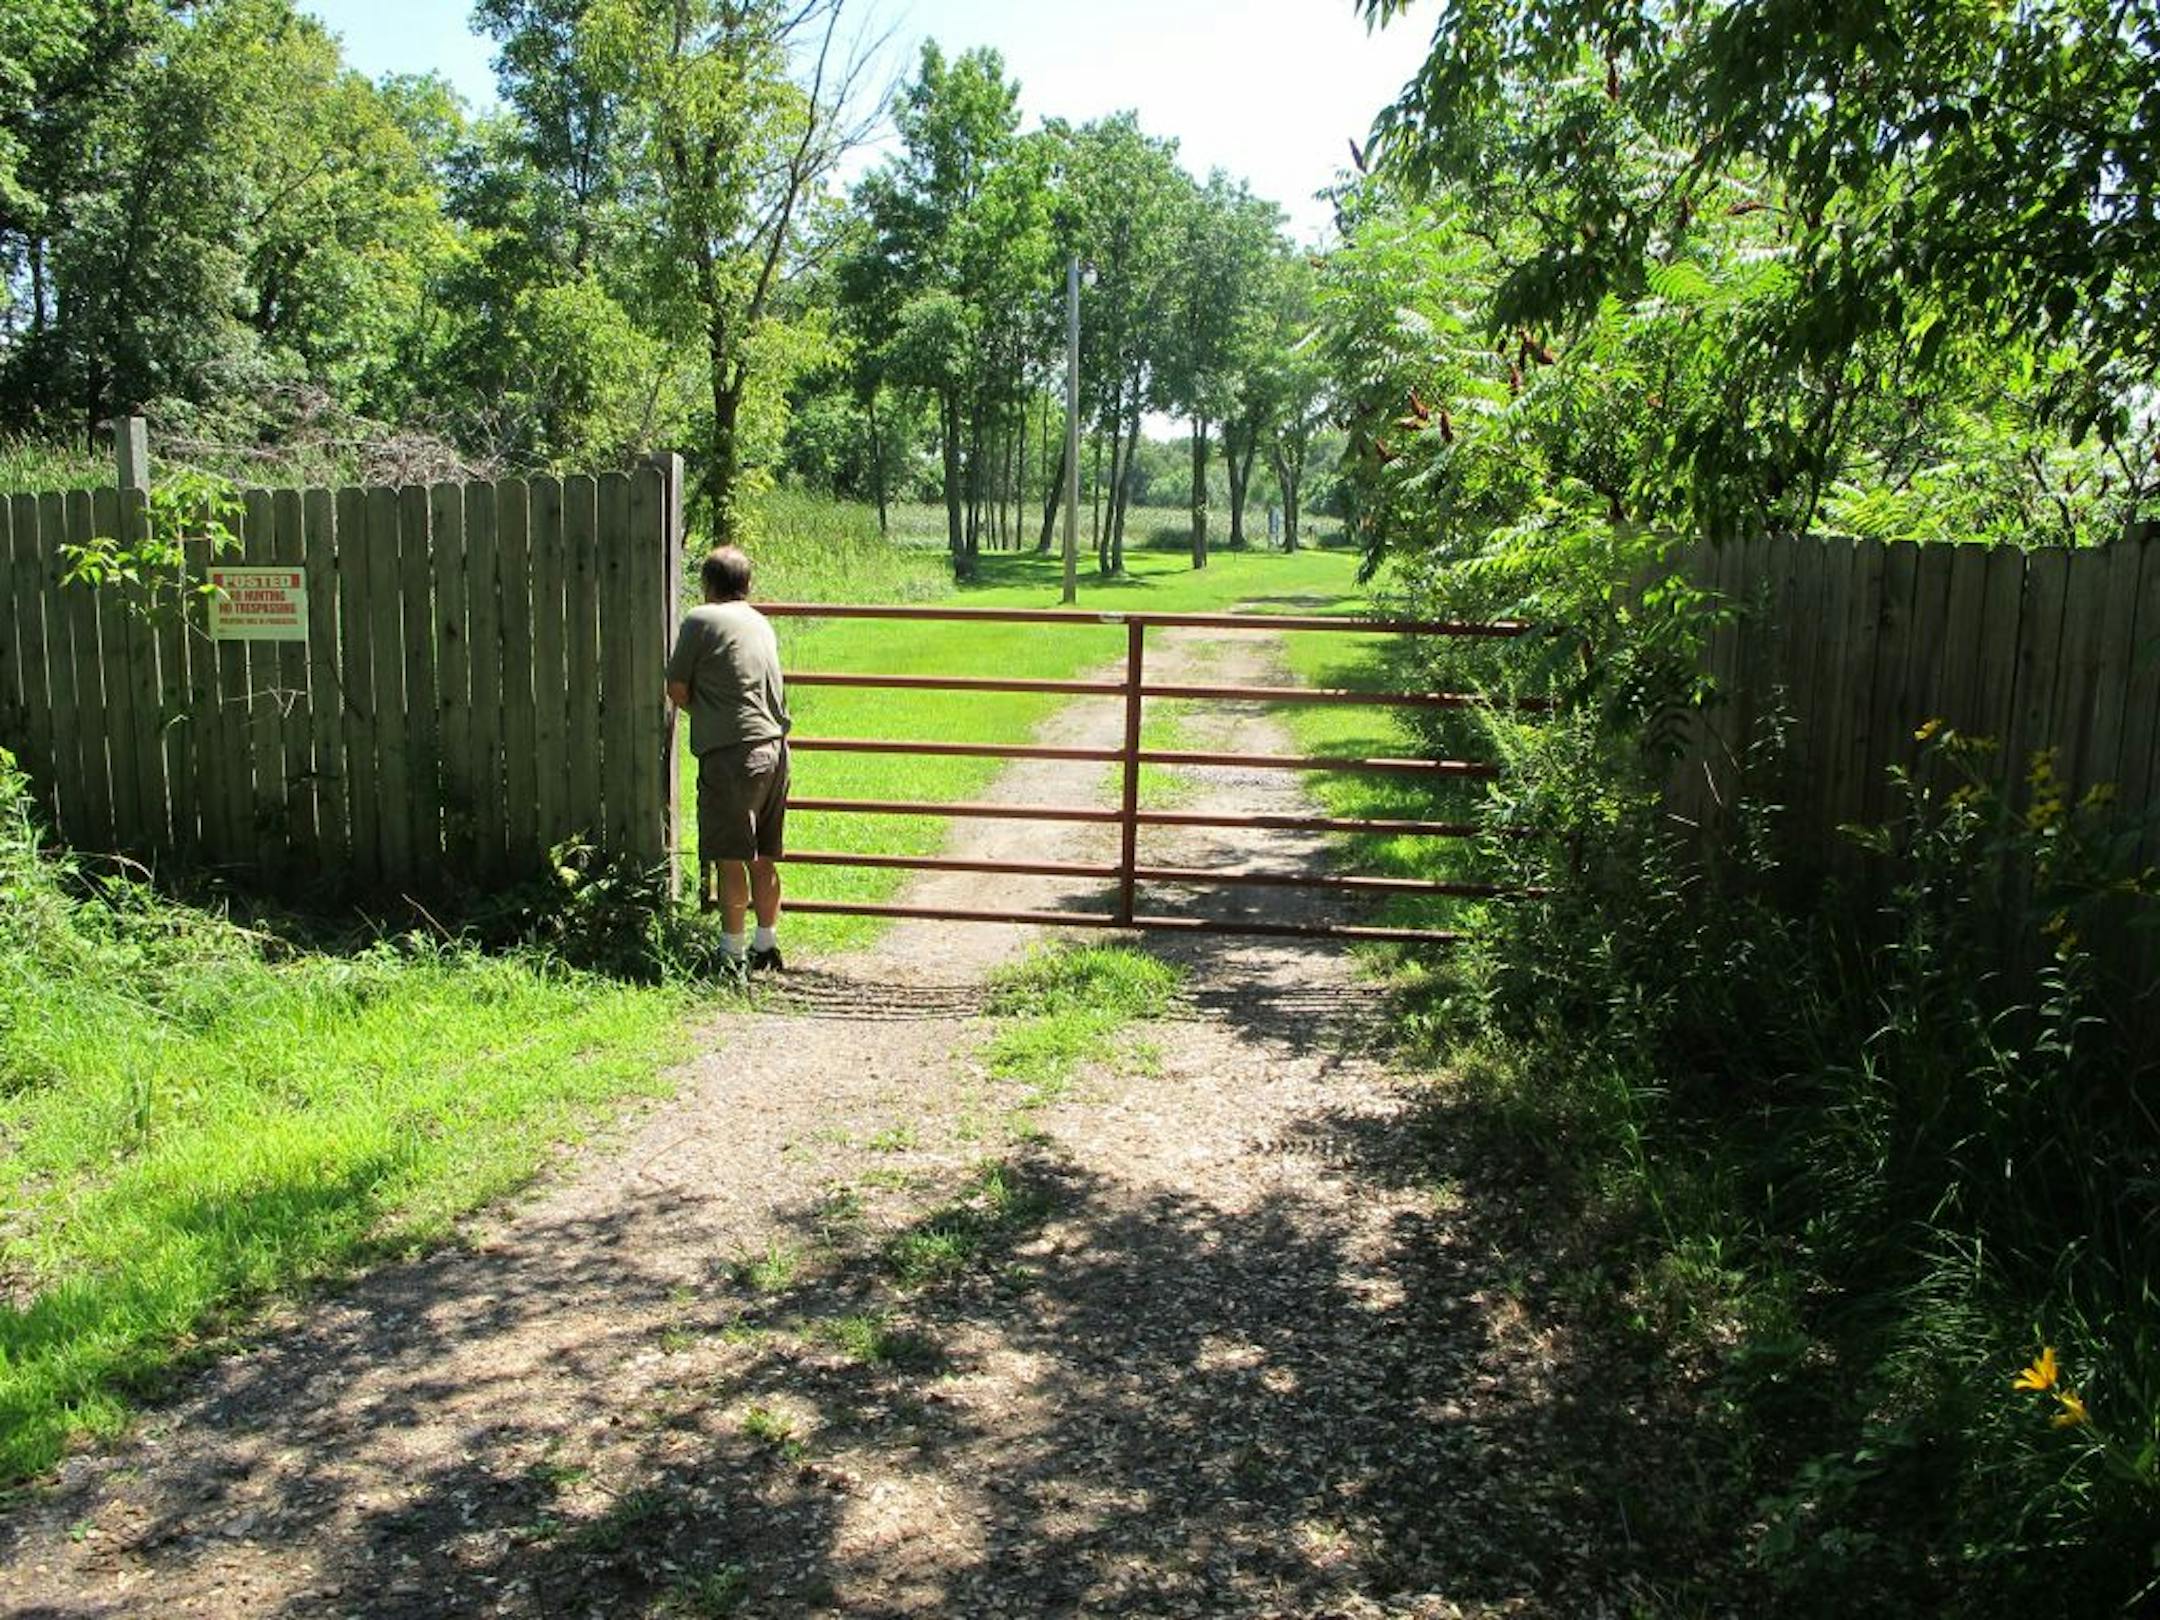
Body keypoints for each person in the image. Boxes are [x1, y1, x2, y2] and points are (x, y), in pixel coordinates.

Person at [665, 545, 790, 977]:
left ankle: (730, 955)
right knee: (762, 856)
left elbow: (677, 687)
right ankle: (766, 945)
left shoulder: (701, 619)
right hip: (775, 748)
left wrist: (708, 713)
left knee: (730, 856)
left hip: (733, 753)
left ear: (707, 584)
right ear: (747, 584)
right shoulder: (760, 622)